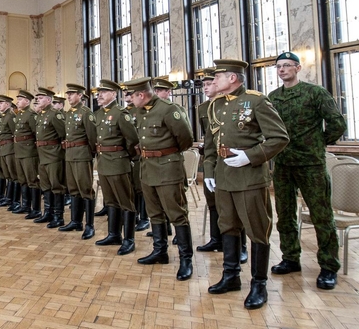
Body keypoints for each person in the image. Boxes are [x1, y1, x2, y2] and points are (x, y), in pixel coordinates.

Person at [204, 59, 289, 310]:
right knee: (227, 226)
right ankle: (231, 276)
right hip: (224, 176)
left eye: (217, 77)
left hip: (250, 177)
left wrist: (250, 156)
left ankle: (258, 284)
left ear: (232, 78)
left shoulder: (257, 101)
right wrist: (209, 170)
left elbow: (279, 137)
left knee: (256, 228)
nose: (212, 81)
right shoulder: (216, 104)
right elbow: (210, 143)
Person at [268, 51, 347, 290]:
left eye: (287, 66)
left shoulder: (315, 93)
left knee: (321, 216)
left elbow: (337, 124)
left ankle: (328, 266)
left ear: (298, 68)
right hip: (282, 163)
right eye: (279, 66)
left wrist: (318, 142)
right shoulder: (273, 97)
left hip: (311, 164)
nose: (282, 70)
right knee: (285, 215)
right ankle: (290, 258)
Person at [127, 77, 195, 280]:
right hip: (147, 169)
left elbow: (186, 139)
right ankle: (160, 251)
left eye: (131, 96)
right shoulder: (140, 111)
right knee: (155, 213)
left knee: (176, 214)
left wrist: (166, 154)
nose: (129, 100)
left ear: (141, 94)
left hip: (167, 169)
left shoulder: (168, 109)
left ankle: (186, 259)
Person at [93, 79, 140, 256]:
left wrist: (124, 156)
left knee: (125, 201)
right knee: (110, 200)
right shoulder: (98, 114)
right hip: (104, 163)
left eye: (103, 92)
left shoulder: (121, 113)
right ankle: (113, 234)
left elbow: (133, 140)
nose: (99, 95)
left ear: (114, 94)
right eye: (99, 92)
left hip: (119, 162)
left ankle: (129, 239)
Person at [60, 83, 97, 238]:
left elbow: (92, 137)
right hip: (70, 154)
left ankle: (90, 225)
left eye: (72, 94)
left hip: (82, 155)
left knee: (85, 189)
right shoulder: (69, 113)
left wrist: (91, 154)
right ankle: (76, 221)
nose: (68, 96)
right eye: (68, 94)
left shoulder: (86, 113)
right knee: (73, 188)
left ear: (80, 95)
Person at [33, 87, 67, 228]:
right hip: (42, 154)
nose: (37, 100)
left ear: (48, 100)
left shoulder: (55, 114)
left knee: (56, 185)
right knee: (45, 185)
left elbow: (63, 134)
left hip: (53, 155)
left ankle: (58, 216)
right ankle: (48, 212)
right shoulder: (41, 115)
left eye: (40, 98)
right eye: (37, 98)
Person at [123, 87, 148, 232]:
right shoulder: (124, 112)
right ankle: (135, 215)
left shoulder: (141, 111)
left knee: (140, 188)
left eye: (129, 93)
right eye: (125, 93)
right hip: (128, 155)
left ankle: (144, 218)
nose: (127, 96)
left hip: (139, 155)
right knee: (131, 186)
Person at [13, 90, 39, 216]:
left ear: (27, 101)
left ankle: (36, 209)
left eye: (20, 100)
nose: (17, 102)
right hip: (19, 151)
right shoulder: (19, 115)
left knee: (32, 180)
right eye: (17, 100)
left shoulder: (31, 115)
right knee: (22, 179)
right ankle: (26, 205)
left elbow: (36, 135)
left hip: (29, 151)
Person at [0, 95, 18, 209]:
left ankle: (14, 200)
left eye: (1, 103)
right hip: (3, 148)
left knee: (13, 174)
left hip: (10, 148)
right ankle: (8, 198)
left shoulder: (11, 116)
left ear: (8, 104)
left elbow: (15, 133)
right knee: (7, 175)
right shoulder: (4, 116)